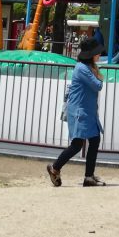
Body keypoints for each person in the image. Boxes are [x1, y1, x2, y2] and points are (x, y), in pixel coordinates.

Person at [47, 37, 107, 187]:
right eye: (97, 53)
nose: (99, 55)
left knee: (93, 140)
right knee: (77, 144)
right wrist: (98, 76)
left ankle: (89, 176)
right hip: (80, 112)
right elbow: (97, 85)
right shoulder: (82, 68)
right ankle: (55, 168)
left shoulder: (86, 67)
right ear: (91, 54)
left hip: (86, 111)